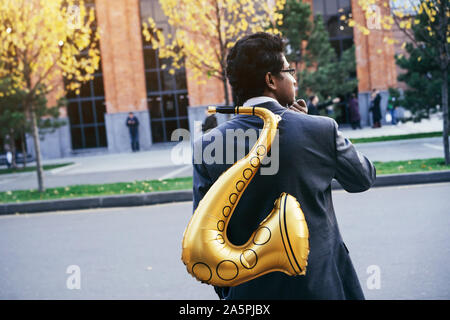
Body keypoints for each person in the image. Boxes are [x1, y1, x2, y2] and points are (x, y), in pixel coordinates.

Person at [192, 32, 376, 300]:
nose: (294, 78)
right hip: (319, 286)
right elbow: (362, 178)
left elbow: (204, 237)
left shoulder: (207, 145)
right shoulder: (320, 129)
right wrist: (314, 127)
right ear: (270, 80)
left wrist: (230, 290)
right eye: (289, 71)